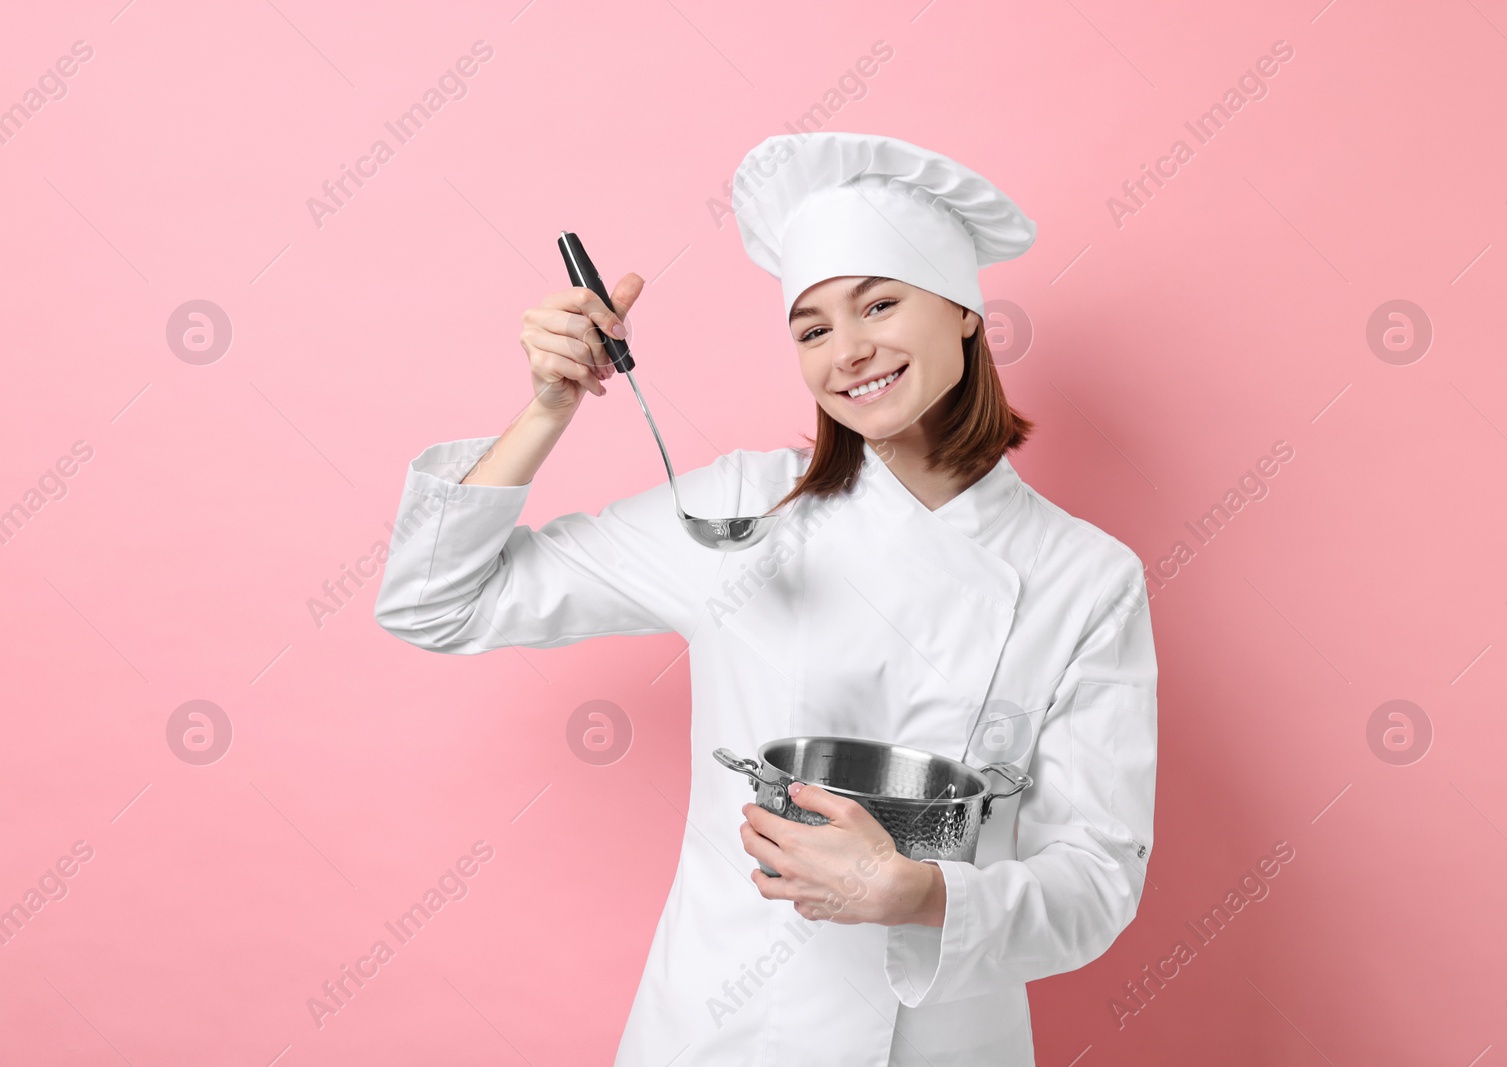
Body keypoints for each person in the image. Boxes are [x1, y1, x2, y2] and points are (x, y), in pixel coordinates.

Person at [373, 131, 1158, 1067]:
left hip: (947, 1039)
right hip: (727, 1029)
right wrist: (549, 405)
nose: (850, 351)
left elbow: (1098, 878)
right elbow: (436, 600)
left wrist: (916, 894)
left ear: (961, 314)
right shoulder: (745, 510)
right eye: (813, 327)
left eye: (880, 302)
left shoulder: (1086, 576)